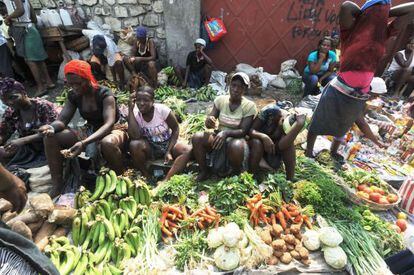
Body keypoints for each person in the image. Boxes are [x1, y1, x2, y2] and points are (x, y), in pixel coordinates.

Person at [305, 0, 414, 159]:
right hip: (340, 88)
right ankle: (308, 151)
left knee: (344, 126)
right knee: (318, 121)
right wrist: (370, 15)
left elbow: (411, 9)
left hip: (359, 93)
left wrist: (383, 15)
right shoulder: (350, 32)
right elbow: (347, 6)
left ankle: (334, 152)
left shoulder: (384, 33)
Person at [38, 60, 127, 196]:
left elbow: (108, 124)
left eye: (78, 83)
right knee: (51, 137)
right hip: (90, 129)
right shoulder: (74, 95)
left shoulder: (104, 94)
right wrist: (51, 127)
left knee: (107, 143)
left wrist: (84, 143)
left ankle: (121, 180)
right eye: (70, 83)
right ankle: (57, 184)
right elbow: (62, 120)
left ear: (88, 78)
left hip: (114, 128)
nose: (74, 87)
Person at [192, 72, 257, 181]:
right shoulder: (221, 100)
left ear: (245, 90)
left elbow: (243, 131)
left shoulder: (249, 106)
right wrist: (209, 121)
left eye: (240, 87)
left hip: (237, 138)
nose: (236, 89)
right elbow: (210, 120)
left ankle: (234, 174)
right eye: (234, 85)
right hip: (219, 135)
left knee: (236, 146)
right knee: (197, 137)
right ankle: (204, 171)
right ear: (229, 86)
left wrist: (226, 133)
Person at [0, 78, 58, 178]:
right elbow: (4, 133)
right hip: (29, 149)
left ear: (24, 93)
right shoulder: (11, 112)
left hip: (49, 146)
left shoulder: (43, 106)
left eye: (13, 97)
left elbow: (52, 131)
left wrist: (23, 140)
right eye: (5, 101)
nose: (10, 102)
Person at [128, 86, 190, 178]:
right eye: (138, 100)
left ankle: (167, 178)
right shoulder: (135, 113)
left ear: (153, 101)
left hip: (168, 143)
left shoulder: (162, 110)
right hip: (150, 146)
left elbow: (175, 128)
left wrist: (168, 151)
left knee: (187, 150)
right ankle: (146, 175)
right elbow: (135, 136)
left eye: (146, 100)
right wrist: (130, 109)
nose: (141, 103)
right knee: (134, 145)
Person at [2, 0, 54, 95]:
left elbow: (20, 10)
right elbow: (33, 17)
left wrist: (8, 18)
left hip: (25, 31)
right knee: (39, 59)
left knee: (30, 61)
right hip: (31, 29)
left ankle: (41, 87)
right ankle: (49, 82)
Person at [249, 105, 306, 180]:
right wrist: (264, 137)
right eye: (282, 127)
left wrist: (299, 125)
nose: (283, 131)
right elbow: (250, 131)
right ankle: (253, 173)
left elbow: (282, 146)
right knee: (256, 142)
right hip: (255, 146)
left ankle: (290, 179)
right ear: (282, 119)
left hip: (271, 150)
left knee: (289, 146)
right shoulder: (269, 112)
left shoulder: (292, 128)